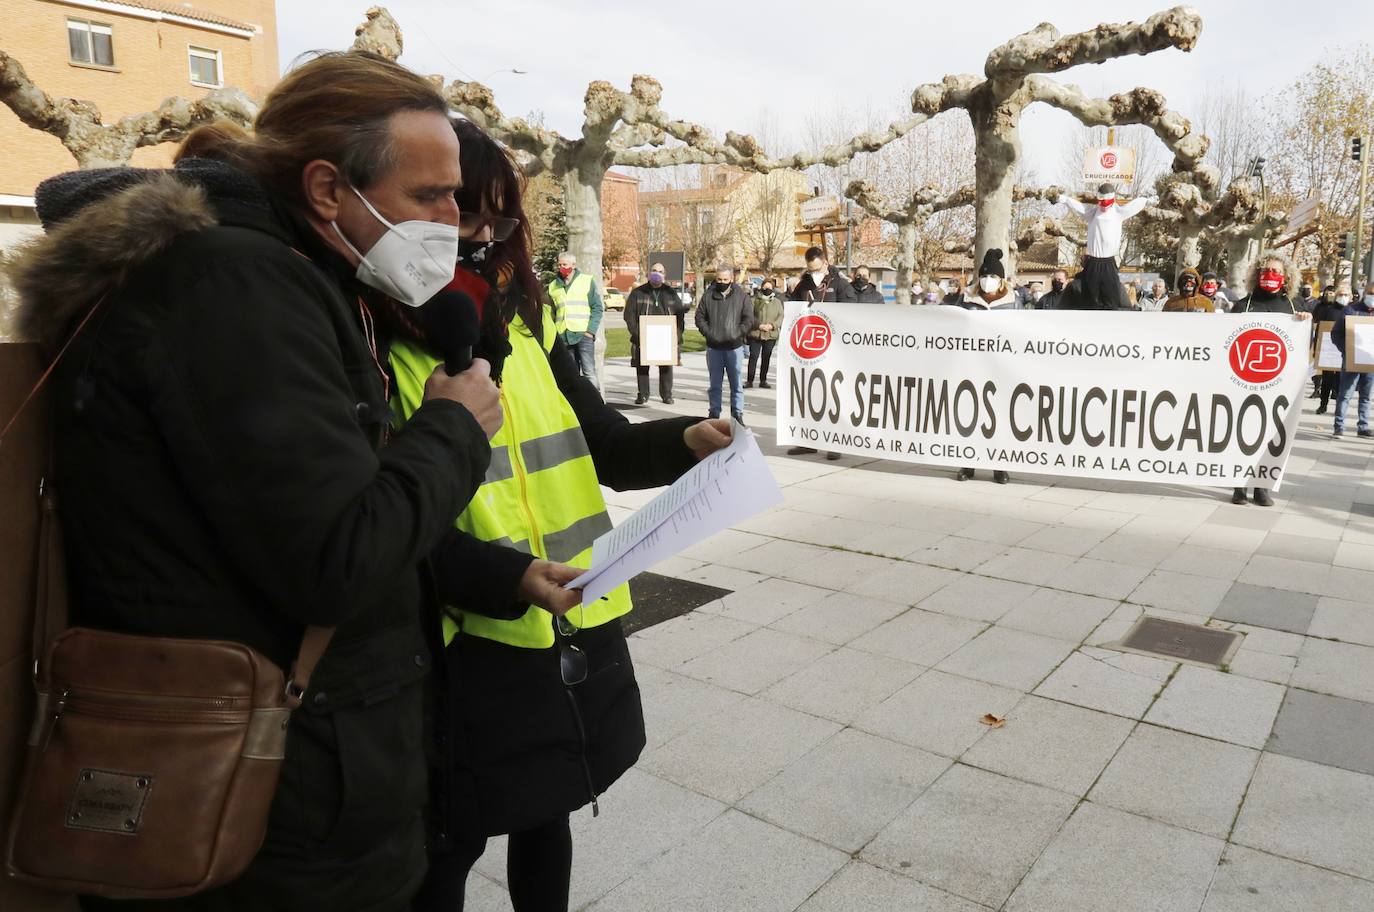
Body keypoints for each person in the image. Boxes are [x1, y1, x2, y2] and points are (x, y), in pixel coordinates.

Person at [7, 52, 504, 911]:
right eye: (432, 196)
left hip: (284, 776)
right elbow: (337, 558)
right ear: (324, 190)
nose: (454, 221)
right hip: (271, 809)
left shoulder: (278, 273)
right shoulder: (238, 284)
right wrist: (454, 427)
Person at [391, 121, 734, 912]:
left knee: (549, 814)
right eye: (458, 216)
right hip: (464, 647)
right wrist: (510, 577)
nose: (479, 240)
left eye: (496, 221)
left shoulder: (528, 331)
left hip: (571, 620)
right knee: (452, 842)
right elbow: (397, 529)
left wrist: (685, 439)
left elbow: (605, 444)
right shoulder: (382, 354)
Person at [1232, 254, 1311, 506]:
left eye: (1276, 270)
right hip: (1243, 383)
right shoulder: (1242, 305)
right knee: (1242, 435)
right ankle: (1239, 485)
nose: (1270, 274)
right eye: (1265, 270)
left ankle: (1261, 486)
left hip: (1277, 385)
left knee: (1271, 435)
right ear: (1256, 274)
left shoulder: (1294, 307)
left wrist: (1305, 323)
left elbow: (1301, 347)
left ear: (1286, 276)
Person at [787, 247, 855, 458]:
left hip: (834, 350)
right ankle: (808, 441)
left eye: (816, 268)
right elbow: (793, 310)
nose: (813, 272)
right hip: (810, 349)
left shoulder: (841, 284)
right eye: (810, 269)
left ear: (825, 263)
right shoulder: (804, 284)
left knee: (833, 397)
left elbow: (852, 313)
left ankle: (835, 443)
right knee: (809, 396)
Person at [954, 249, 1014, 484]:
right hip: (972, 365)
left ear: (1001, 280)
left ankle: (1000, 466)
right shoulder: (967, 298)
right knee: (970, 414)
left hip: (1001, 367)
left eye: (992, 277)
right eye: (984, 276)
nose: (988, 281)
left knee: (999, 416)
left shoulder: (1012, 302)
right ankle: (968, 464)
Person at [1056, 183, 1148, 309]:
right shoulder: (1092, 213)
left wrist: (1147, 200)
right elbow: (1079, 207)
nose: (1104, 206)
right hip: (1093, 261)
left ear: (1113, 200)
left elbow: (1134, 206)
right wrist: (1065, 199)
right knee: (1090, 298)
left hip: (1109, 261)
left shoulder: (1118, 212)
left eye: (1107, 202)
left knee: (1110, 297)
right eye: (1101, 202)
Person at [695, 263, 755, 424]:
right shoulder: (708, 296)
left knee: (736, 384)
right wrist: (709, 333)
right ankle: (714, 412)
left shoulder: (741, 296)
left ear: (732, 278)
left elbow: (749, 318)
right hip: (714, 348)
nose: (722, 282)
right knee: (715, 384)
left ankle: (737, 413)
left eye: (725, 279)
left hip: (734, 347)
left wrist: (737, 333)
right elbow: (699, 318)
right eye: (719, 279)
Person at [625, 261, 685, 404]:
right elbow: (629, 315)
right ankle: (643, 394)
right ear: (648, 273)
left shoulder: (670, 293)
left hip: (665, 336)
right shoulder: (638, 292)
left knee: (666, 367)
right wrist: (636, 332)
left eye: (660, 271)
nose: (656, 273)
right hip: (643, 335)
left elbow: (680, 315)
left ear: (664, 275)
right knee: (642, 367)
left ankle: (666, 395)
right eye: (654, 270)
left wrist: (676, 334)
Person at [548, 251, 603, 391]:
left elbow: (597, 308)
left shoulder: (586, 281)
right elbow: (551, 312)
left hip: (583, 334)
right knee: (571, 374)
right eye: (560, 265)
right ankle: (577, 405)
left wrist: (590, 331)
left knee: (589, 372)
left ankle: (596, 405)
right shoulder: (553, 285)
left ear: (574, 265)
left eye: (565, 264)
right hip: (563, 335)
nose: (562, 268)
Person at [1331, 282, 1374, 440]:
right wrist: (1347, 350)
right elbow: (1336, 334)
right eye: (1370, 293)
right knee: (1345, 394)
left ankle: (1363, 426)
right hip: (1351, 360)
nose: (1372, 297)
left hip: (1370, 362)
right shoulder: (1350, 310)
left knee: (1366, 395)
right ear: (1364, 293)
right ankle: (1339, 426)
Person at [746, 276, 784, 388]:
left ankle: (763, 380)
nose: (767, 289)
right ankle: (750, 380)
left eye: (769, 287)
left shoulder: (777, 302)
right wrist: (759, 325)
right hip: (756, 333)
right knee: (753, 357)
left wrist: (772, 326)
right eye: (765, 287)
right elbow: (749, 315)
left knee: (766, 357)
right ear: (761, 287)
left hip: (770, 334)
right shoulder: (754, 300)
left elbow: (781, 316)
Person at [1312, 285, 1345, 411]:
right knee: (1327, 378)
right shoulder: (1326, 309)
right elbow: (1319, 328)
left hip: (1343, 347)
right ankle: (1323, 404)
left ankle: (1338, 404)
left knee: (1341, 379)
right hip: (1328, 348)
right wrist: (1317, 349)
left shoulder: (1349, 309)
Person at [792, 246, 858, 304]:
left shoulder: (840, 284)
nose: (814, 274)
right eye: (811, 271)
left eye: (817, 270)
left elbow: (849, 309)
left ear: (826, 264)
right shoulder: (803, 286)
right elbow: (793, 306)